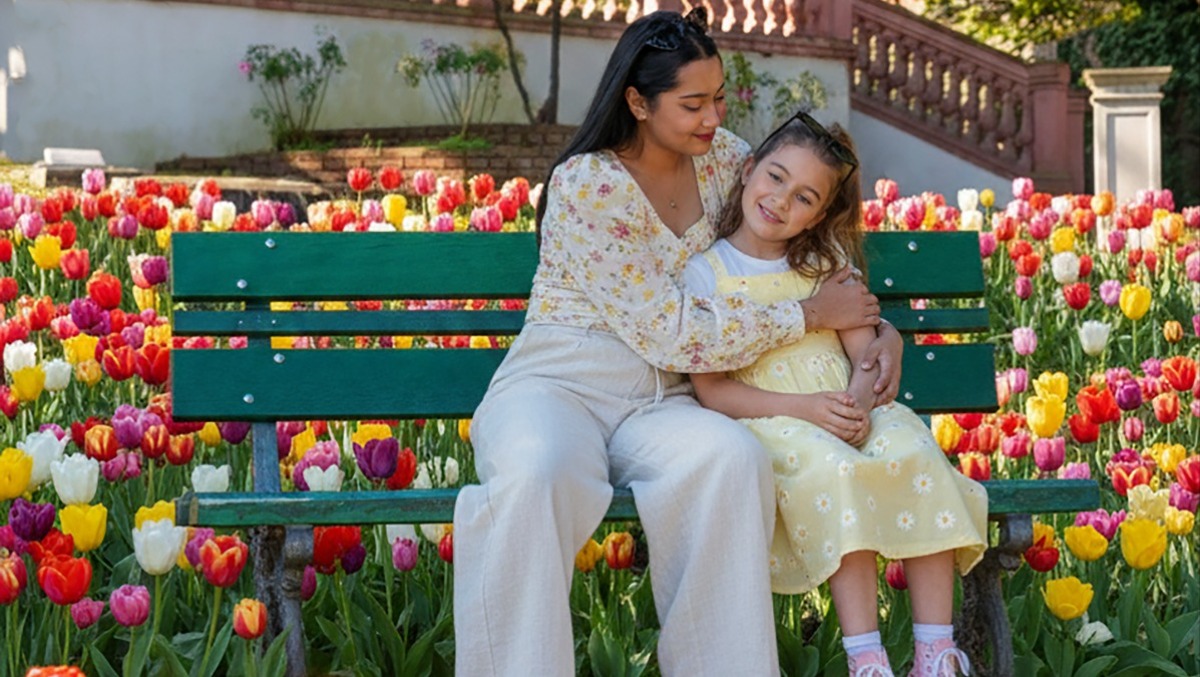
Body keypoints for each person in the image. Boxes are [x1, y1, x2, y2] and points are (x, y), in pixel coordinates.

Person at [453, 9, 906, 675]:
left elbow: (814, 248)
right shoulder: (587, 184)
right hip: (560, 384)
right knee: (536, 472)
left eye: (719, 98)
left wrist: (880, 329)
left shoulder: (726, 162)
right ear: (638, 102)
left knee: (728, 460)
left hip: (666, 402)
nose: (713, 117)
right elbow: (668, 330)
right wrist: (807, 315)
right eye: (692, 104)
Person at [681, 112, 989, 677]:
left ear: (820, 214)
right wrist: (808, 409)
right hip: (775, 419)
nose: (779, 200)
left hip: (848, 408)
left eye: (802, 197)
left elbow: (866, 351)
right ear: (748, 171)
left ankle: (936, 652)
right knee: (836, 472)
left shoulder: (826, 267)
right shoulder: (707, 274)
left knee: (917, 451)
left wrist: (858, 398)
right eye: (774, 178)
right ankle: (866, 657)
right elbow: (714, 391)